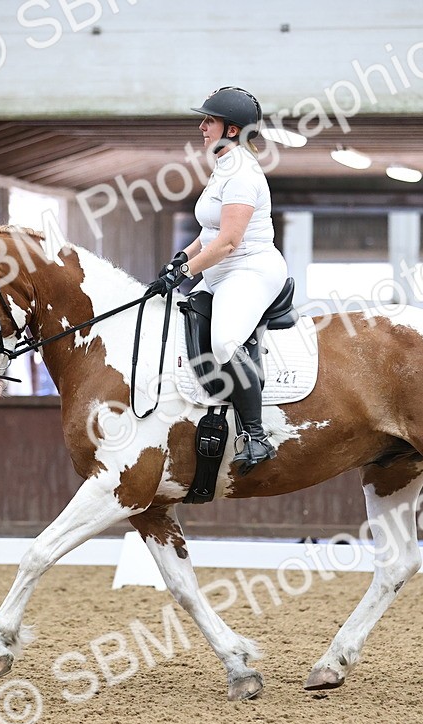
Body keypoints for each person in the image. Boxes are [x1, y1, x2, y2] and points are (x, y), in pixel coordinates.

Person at [146, 86, 288, 475]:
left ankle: (256, 436)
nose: (201, 126)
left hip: (250, 269)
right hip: (220, 269)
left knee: (225, 342)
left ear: (231, 130)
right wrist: (181, 259)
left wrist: (187, 273)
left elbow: (229, 241)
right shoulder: (223, 167)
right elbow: (210, 235)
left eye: (209, 120)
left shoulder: (242, 173)